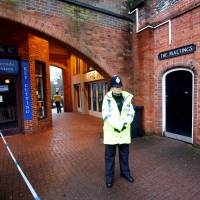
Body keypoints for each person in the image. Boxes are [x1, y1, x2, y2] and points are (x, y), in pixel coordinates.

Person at [102, 75, 135, 188]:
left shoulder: (127, 98)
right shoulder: (107, 99)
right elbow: (106, 116)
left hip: (124, 133)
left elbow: (131, 113)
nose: (118, 89)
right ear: (111, 87)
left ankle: (125, 173)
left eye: (119, 86)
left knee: (124, 156)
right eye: (116, 86)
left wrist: (125, 123)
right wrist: (118, 125)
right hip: (111, 133)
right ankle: (109, 178)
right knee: (109, 158)